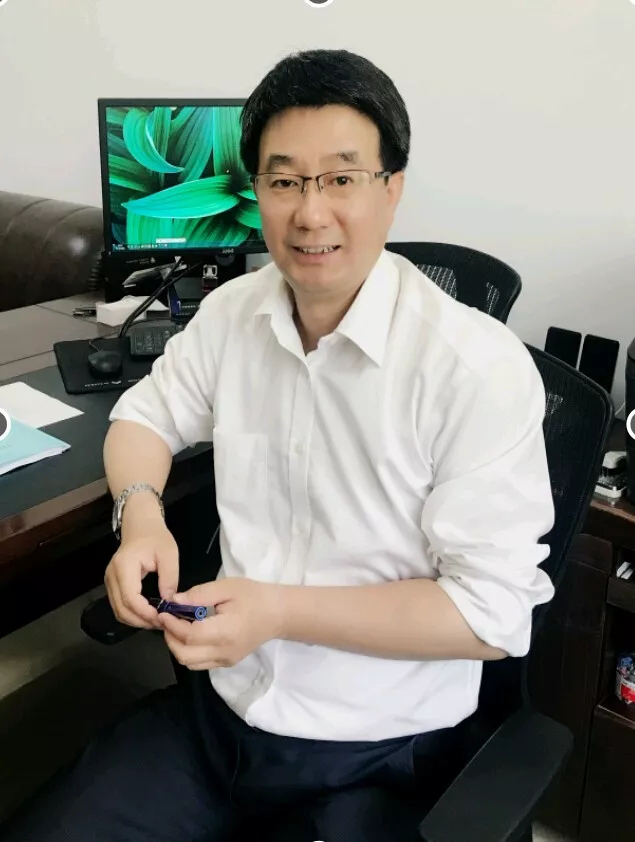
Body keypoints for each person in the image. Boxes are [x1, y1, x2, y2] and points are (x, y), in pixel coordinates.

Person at [0, 49, 555, 842]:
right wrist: (142, 516)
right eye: (284, 180)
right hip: (216, 716)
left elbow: (487, 614)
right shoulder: (233, 313)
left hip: (378, 750)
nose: (311, 212)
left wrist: (280, 611)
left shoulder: (475, 368)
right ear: (255, 191)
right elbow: (143, 417)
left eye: (341, 178)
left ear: (391, 188)